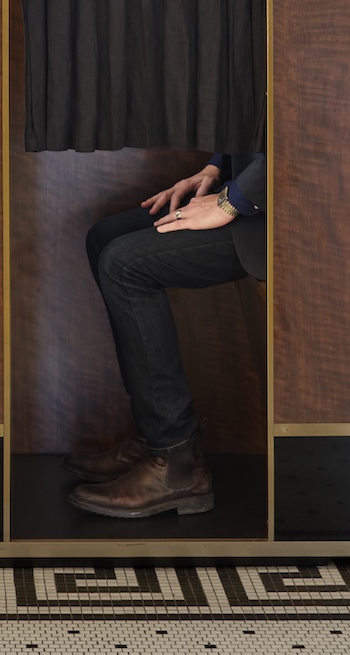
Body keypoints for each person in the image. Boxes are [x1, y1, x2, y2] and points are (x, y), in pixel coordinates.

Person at [65, 152, 265, 519]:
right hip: (254, 184)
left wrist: (234, 199)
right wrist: (217, 168)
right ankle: (152, 431)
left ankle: (176, 461)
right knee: (105, 237)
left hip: (286, 205)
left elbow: (307, 126)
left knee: (124, 264)